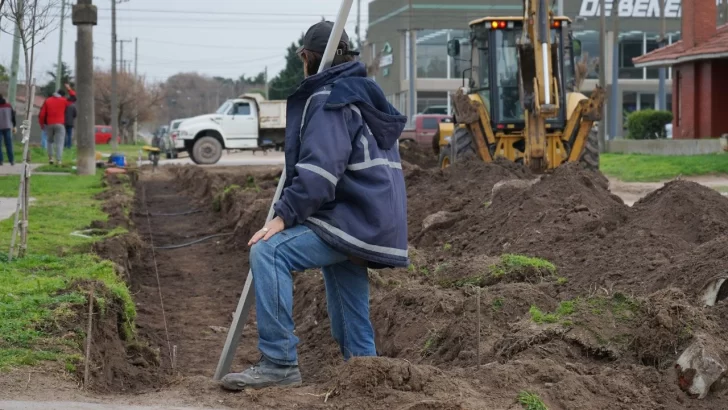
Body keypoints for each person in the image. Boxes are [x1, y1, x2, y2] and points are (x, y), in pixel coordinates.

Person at [221, 21, 409, 391]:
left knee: (269, 252)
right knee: (343, 268)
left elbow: (319, 172)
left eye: (302, 57)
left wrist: (283, 216)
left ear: (308, 58)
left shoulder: (330, 98)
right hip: (373, 220)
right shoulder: (366, 94)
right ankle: (364, 371)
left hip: (353, 217)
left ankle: (278, 362)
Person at [39, 84, 76, 165]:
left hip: (49, 124)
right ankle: (59, 160)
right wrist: (69, 89)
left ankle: (51, 158)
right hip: (60, 124)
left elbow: (42, 114)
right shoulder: (64, 101)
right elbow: (73, 98)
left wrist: (42, 125)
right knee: (60, 142)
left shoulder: (48, 100)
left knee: (49, 141)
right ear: (63, 95)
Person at [0, 94, 16, 166]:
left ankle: (0, 161)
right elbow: (13, 116)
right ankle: (11, 160)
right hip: (7, 127)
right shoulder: (8, 106)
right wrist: (14, 126)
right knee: (9, 144)